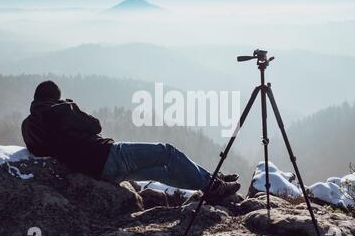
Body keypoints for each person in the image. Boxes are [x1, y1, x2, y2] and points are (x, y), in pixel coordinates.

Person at [22, 81, 240, 202]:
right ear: (55, 97)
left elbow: (38, 150)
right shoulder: (61, 110)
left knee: (160, 172)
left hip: (100, 172)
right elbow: (95, 126)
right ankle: (214, 185)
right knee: (167, 152)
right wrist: (71, 105)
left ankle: (211, 181)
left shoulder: (28, 126)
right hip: (108, 154)